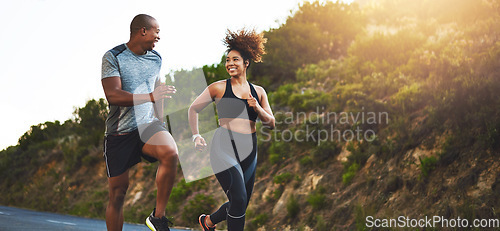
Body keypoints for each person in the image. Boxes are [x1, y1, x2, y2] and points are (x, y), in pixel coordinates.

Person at [188, 29, 275, 231]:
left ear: (246, 63)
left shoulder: (259, 92)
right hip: (224, 145)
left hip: (250, 148)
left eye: (235, 59)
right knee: (239, 197)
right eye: (227, 60)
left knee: (241, 203)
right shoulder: (218, 88)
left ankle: (208, 222)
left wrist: (257, 108)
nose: (230, 64)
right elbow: (194, 108)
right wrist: (196, 135)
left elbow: (271, 122)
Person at [101, 14, 178, 231]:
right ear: (143, 31)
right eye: (157, 31)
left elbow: (157, 88)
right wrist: (150, 97)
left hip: (147, 125)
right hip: (119, 133)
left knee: (170, 152)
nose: (159, 37)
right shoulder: (113, 56)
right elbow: (113, 95)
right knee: (117, 193)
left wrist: (160, 121)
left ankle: (158, 217)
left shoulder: (156, 58)